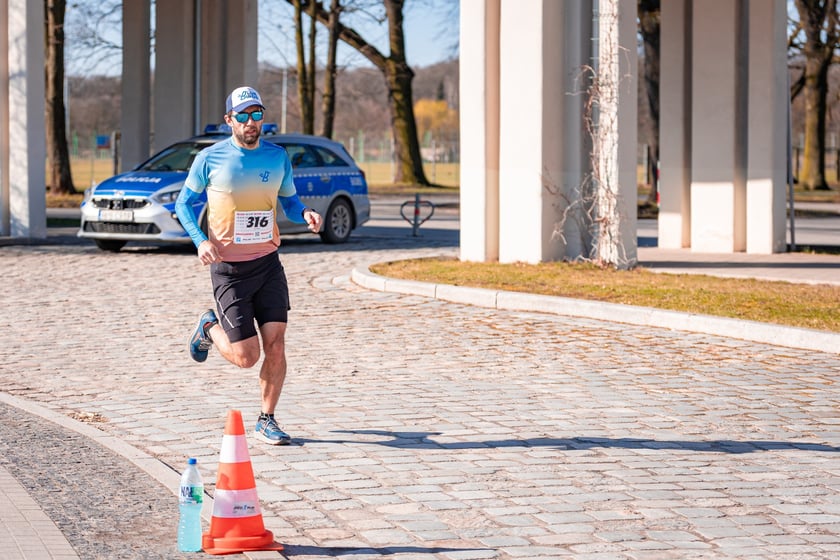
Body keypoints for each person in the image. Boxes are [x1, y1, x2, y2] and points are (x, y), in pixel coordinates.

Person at [174, 86, 323, 445]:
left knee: (276, 344)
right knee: (245, 357)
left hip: (268, 263)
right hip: (229, 269)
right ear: (229, 120)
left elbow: (288, 202)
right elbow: (183, 204)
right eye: (243, 116)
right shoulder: (210, 159)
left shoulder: (277, 157)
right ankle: (209, 326)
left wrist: (304, 213)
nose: (251, 122)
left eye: (257, 114)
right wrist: (200, 240)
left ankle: (267, 419)